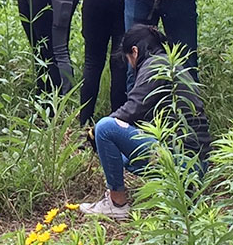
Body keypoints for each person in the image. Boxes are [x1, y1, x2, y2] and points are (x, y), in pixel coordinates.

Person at [79, 25, 211, 219]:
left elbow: (133, 108)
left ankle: (116, 203)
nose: (131, 65)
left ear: (135, 51)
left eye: (128, 59)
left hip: (183, 163)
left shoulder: (154, 65)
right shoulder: (173, 65)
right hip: (195, 163)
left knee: (106, 128)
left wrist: (96, 131)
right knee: (120, 154)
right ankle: (176, 188)